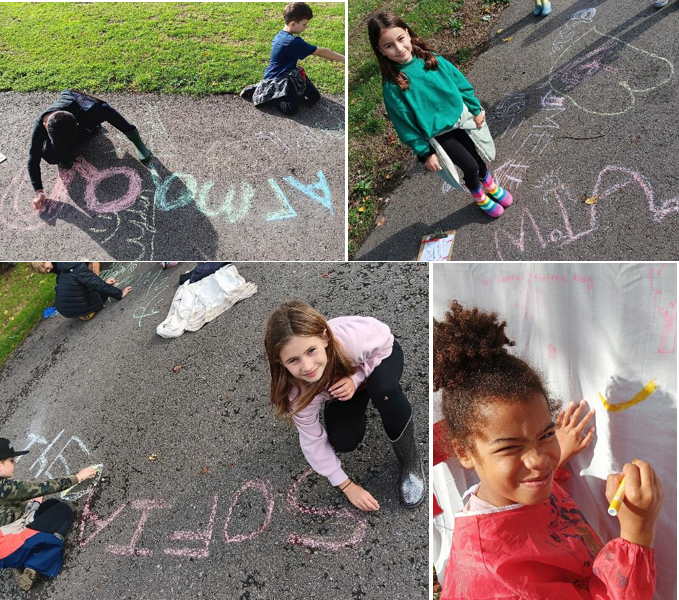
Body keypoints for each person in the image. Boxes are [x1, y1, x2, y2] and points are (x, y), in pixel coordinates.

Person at [433, 301, 662, 599]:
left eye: (545, 434)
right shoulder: (501, 584)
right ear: (464, 452)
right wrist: (637, 534)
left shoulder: (508, 489)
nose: (540, 460)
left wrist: (559, 452)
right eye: (510, 447)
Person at [265, 300, 426, 511]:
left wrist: (357, 378)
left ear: (324, 337)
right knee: (343, 441)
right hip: (340, 386)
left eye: (311, 350)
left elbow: (385, 344)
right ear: (280, 361)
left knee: (385, 392)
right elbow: (312, 441)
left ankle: (411, 460)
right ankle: (356, 393)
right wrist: (348, 487)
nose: (308, 366)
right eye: (293, 360)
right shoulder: (295, 392)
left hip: (376, 359)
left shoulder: (352, 339)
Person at [368, 12, 513, 218]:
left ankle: (490, 186)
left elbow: (461, 85)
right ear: (380, 50)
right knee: (469, 167)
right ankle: (480, 197)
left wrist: (475, 109)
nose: (399, 48)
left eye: (400, 39)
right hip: (440, 133)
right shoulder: (394, 85)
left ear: (408, 34)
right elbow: (404, 124)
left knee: (478, 157)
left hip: (460, 120)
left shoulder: (432, 60)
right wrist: (424, 153)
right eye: (389, 45)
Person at [28, 90, 152, 212]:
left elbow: (107, 109)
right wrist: (39, 191)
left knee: (104, 113)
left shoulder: (79, 105)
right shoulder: (40, 126)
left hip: (79, 122)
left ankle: (136, 140)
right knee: (51, 155)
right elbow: (33, 159)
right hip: (62, 134)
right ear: (45, 126)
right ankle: (64, 152)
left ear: (76, 122)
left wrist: (134, 137)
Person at [0, 438, 97, 590]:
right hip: (7, 547)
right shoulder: (4, 487)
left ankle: (21, 557)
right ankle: (34, 563)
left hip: (6, 535)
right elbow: (44, 487)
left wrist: (32, 503)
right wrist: (78, 477)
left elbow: (7, 508)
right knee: (63, 511)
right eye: (11, 460)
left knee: (51, 505)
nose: (15, 463)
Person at [240, 2, 345, 116]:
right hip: (276, 79)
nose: (306, 27)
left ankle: (291, 94)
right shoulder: (292, 42)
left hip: (289, 74)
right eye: (304, 24)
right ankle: (265, 93)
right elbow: (320, 51)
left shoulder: (282, 35)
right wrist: (344, 59)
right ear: (293, 24)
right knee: (290, 109)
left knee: (314, 97)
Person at [30, 262, 132, 321]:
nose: (48, 271)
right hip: (81, 309)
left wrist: (104, 283)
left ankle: (82, 312)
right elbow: (94, 283)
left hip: (66, 310)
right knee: (99, 289)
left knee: (94, 284)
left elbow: (86, 282)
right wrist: (119, 293)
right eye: (45, 272)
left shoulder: (65, 267)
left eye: (46, 268)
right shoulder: (70, 266)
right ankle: (86, 312)